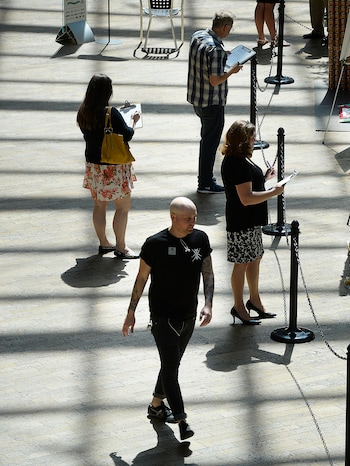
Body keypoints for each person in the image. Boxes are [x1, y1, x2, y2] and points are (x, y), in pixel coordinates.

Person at [121, 197, 214, 441]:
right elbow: (141, 279)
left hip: (189, 315)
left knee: (170, 365)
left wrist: (208, 304)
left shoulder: (200, 239)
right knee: (172, 369)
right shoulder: (155, 244)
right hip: (163, 317)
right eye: (187, 219)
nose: (193, 223)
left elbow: (207, 272)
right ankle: (182, 419)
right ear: (173, 217)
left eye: (194, 218)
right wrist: (131, 312)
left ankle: (155, 406)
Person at [221, 121, 284, 324]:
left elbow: (248, 186)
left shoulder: (241, 159)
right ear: (242, 141)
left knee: (254, 258)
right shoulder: (235, 163)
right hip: (241, 222)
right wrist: (272, 192)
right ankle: (238, 306)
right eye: (251, 137)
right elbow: (246, 198)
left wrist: (264, 179)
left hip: (251, 221)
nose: (254, 140)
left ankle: (254, 300)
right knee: (242, 263)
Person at [77, 74, 140, 259]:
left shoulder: (83, 111)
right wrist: (133, 122)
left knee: (99, 205)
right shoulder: (110, 113)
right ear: (108, 92)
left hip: (94, 166)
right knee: (123, 206)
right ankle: (121, 246)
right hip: (114, 166)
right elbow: (127, 135)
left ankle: (104, 243)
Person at [187, 10, 243, 194]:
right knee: (210, 144)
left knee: (206, 139)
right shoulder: (216, 51)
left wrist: (224, 54)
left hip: (197, 99)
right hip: (212, 103)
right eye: (230, 28)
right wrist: (230, 72)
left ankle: (205, 179)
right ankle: (205, 182)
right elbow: (214, 80)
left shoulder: (198, 36)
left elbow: (207, 58)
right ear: (225, 27)